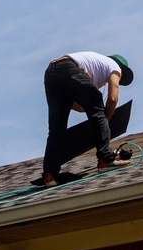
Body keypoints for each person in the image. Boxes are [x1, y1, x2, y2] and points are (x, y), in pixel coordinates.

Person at [42, 51, 134, 187]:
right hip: (68, 68)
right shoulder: (114, 66)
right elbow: (113, 98)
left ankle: (50, 175)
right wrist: (105, 119)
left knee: (57, 129)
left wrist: (97, 117)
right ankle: (106, 160)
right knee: (98, 106)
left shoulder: (92, 69)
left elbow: (79, 106)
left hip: (51, 74)